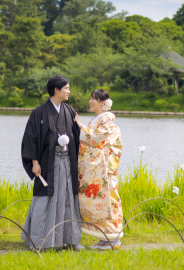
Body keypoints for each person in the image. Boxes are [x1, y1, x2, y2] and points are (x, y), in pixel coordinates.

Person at [20, 74, 82, 250]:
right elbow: (30, 139)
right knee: (46, 199)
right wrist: (34, 162)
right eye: (66, 88)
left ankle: (70, 239)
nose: (69, 91)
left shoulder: (69, 111)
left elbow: (77, 139)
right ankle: (42, 240)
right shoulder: (39, 113)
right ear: (56, 90)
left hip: (68, 163)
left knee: (68, 198)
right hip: (48, 164)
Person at [74, 89, 124, 250]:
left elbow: (97, 139)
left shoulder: (107, 120)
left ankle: (113, 238)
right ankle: (104, 238)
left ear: (103, 103)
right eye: (90, 98)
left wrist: (81, 125)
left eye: (93, 99)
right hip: (97, 167)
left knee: (109, 200)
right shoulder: (97, 119)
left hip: (104, 168)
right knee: (99, 201)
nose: (90, 101)